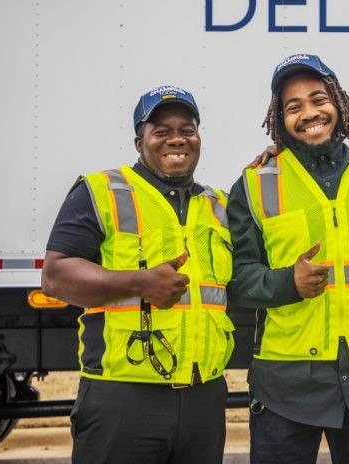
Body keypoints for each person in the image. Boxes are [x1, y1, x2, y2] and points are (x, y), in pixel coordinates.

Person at [226, 53, 349, 464]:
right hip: (287, 388)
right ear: (279, 118)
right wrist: (286, 283)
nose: (309, 113)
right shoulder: (255, 184)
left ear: (339, 103)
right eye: (294, 107)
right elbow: (234, 280)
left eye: (318, 99)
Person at [41, 86, 235, 464]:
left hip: (204, 397)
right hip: (123, 398)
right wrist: (137, 282)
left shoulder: (219, 204)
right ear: (139, 141)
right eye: (161, 131)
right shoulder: (101, 191)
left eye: (187, 129)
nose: (176, 138)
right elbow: (56, 276)